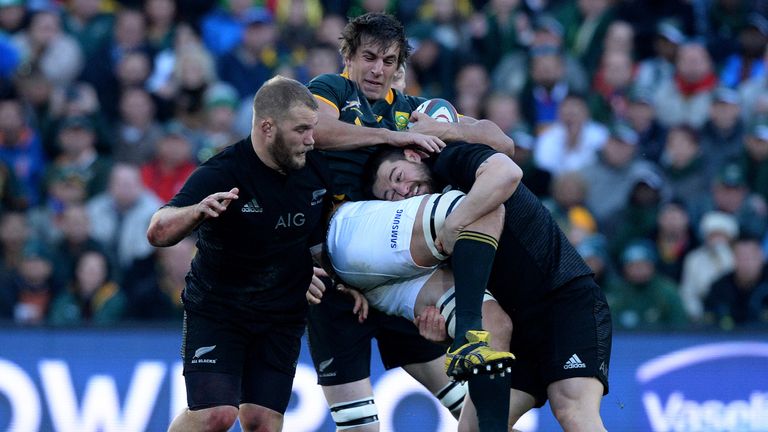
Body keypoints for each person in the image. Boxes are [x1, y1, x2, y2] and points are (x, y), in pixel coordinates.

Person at [305, 11, 516, 432]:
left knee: (477, 384)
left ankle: (469, 335)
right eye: (368, 57)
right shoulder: (330, 89)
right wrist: (392, 137)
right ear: (347, 55)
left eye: (388, 61)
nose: (377, 70)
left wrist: (451, 130)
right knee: (360, 427)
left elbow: (503, 142)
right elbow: (317, 130)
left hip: (397, 266)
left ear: (400, 65)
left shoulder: (412, 109)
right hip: (338, 266)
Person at [364, 142, 612, 432]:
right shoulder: (421, 235)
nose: (403, 191)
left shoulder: (453, 160)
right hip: (514, 332)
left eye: (398, 177)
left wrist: (456, 221)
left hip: (563, 302)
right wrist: (443, 335)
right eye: (391, 196)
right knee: (473, 430)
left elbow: (507, 171)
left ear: (413, 155)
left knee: (572, 411)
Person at [146, 76, 333, 432]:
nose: (311, 140)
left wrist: (325, 272)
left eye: (313, 129)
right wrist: (196, 212)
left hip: (282, 313)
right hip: (220, 309)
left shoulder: (316, 168)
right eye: (301, 130)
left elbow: (318, 237)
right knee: (215, 414)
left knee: (262, 421)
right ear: (267, 127)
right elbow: (157, 230)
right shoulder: (224, 171)